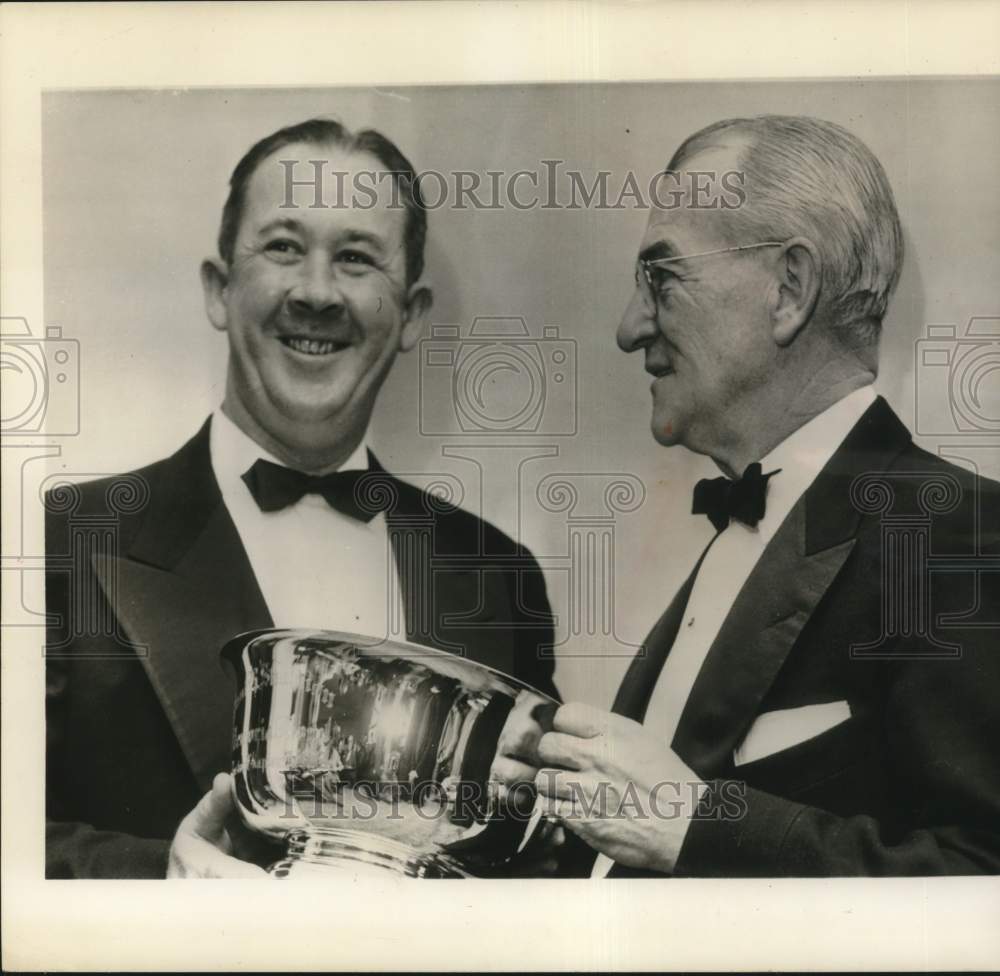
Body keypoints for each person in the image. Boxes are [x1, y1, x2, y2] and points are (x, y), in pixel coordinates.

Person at [45, 118, 557, 879]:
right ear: (220, 290)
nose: (317, 293)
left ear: (412, 314)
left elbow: (538, 862)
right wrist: (162, 880)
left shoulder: (498, 575)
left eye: (355, 258)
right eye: (284, 247)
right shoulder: (61, 543)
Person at [526, 115, 1000, 876]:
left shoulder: (959, 537)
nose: (627, 327)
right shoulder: (737, 535)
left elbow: (984, 881)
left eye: (661, 276)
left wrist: (698, 827)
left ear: (790, 289)